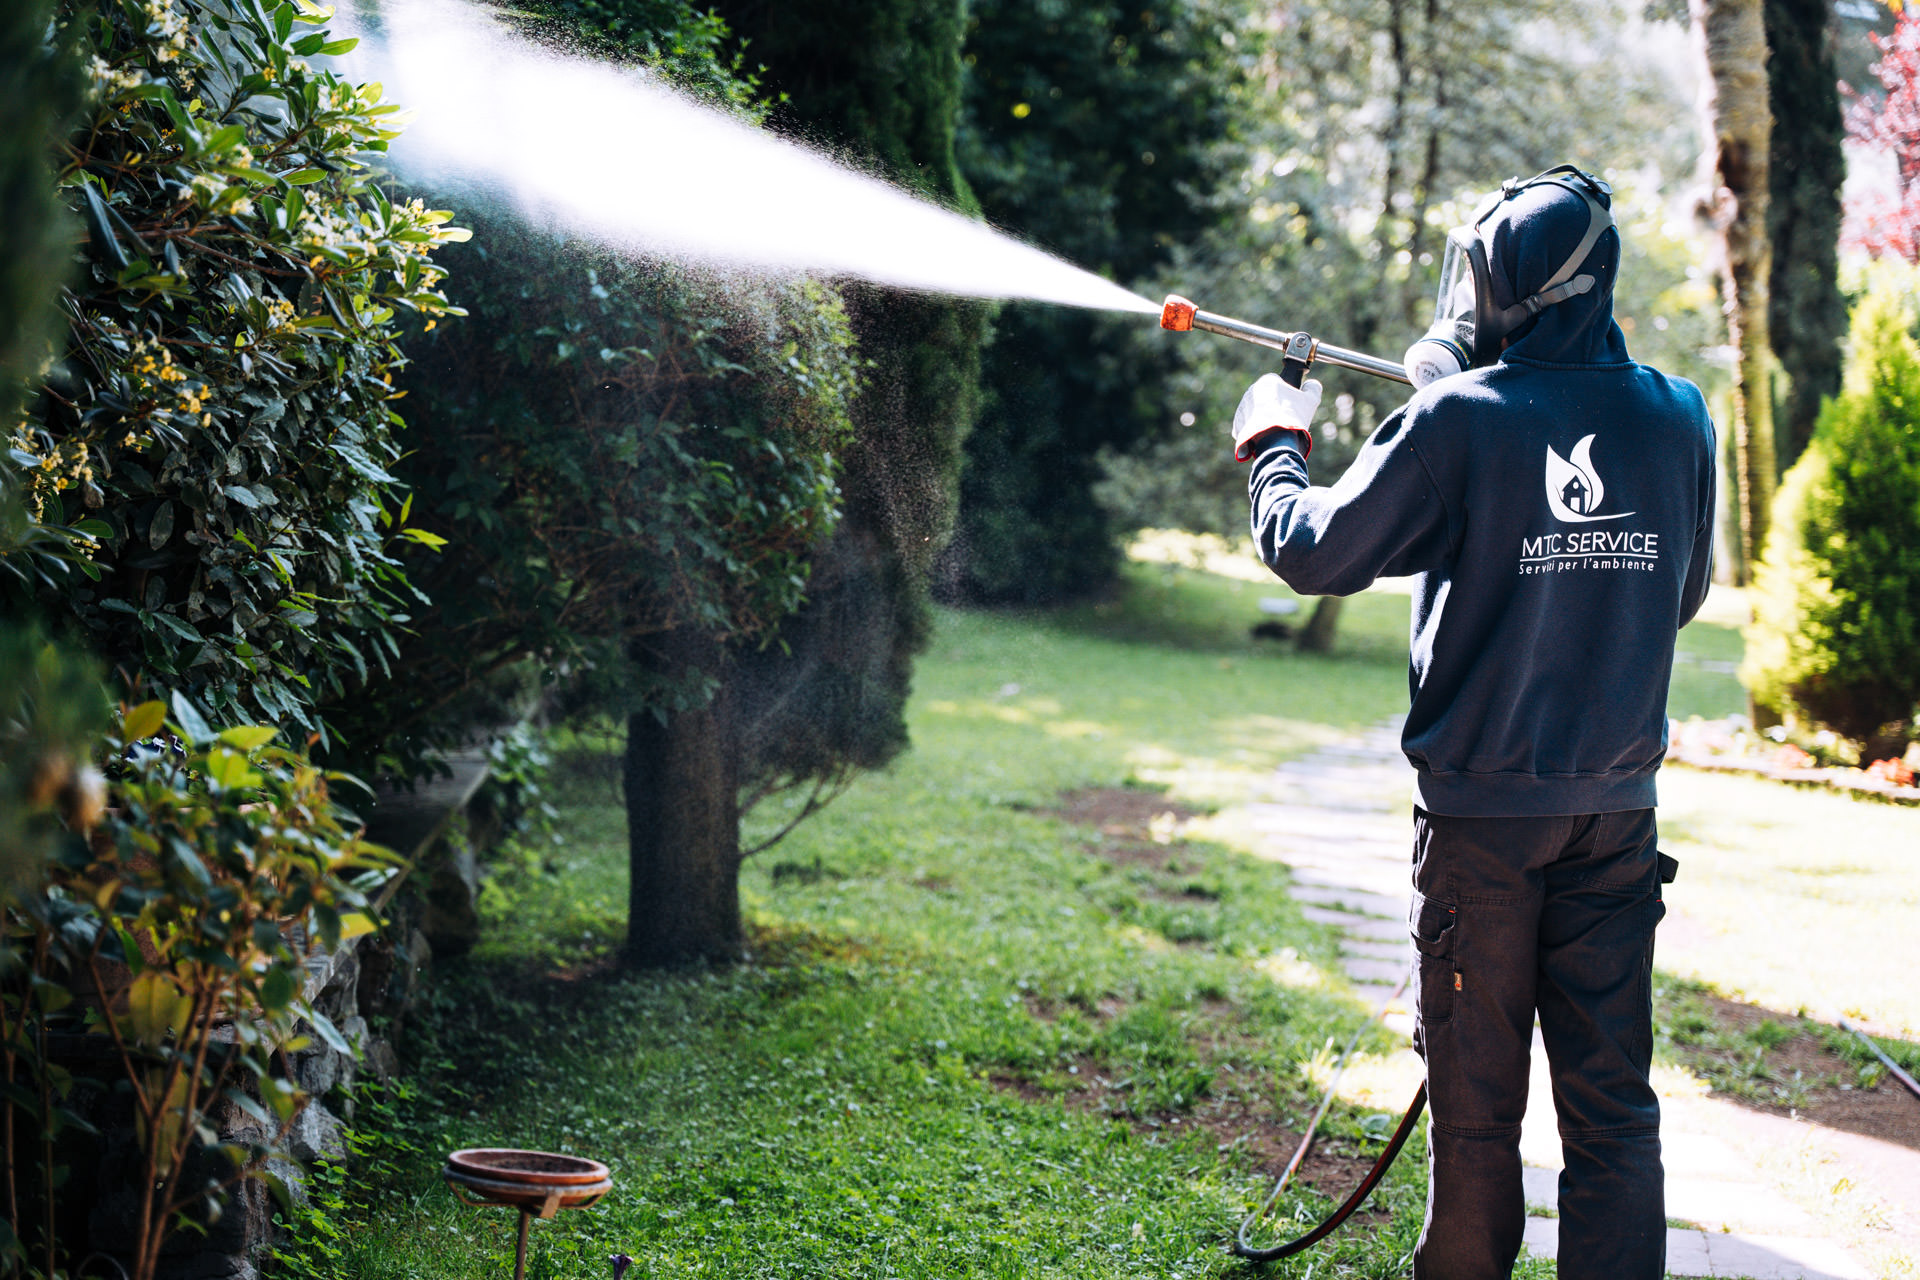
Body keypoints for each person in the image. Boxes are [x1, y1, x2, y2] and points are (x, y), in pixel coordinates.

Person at [1230, 165, 1715, 1280]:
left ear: (1510, 291)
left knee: (1478, 1117)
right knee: (1615, 1114)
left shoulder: (1455, 421)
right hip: (1615, 816)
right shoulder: (1678, 413)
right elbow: (1680, 590)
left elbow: (1312, 547)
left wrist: (1273, 443)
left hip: (1481, 830)